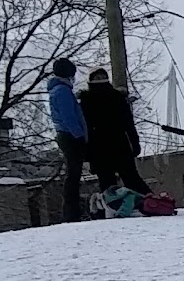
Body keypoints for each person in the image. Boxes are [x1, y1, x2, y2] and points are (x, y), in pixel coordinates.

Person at [79, 68, 152, 208]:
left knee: (107, 183)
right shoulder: (117, 97)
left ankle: (113, 208)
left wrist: (87, 154)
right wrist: (135, 143)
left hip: (99, 147)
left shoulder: (86, 101)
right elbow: (128, 124)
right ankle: (150, 202)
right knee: (131, 178)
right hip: (119, 144)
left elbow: (85, 129)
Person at [46, 57, 88, 223]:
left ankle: (72, 211)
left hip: (64, 135)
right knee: (73, 173)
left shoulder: (55, 90)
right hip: (69, 136)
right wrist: (79, 136)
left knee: (73, 173)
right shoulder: (62, 91)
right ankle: (72, 212)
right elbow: (69, 116)